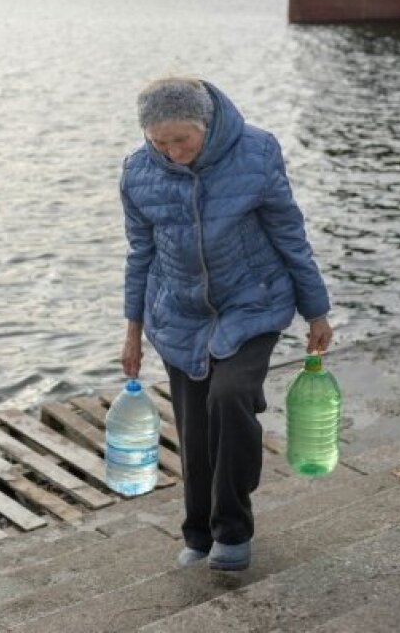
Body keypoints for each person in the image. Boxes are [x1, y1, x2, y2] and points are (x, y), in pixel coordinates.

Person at [119, 77, 332, 572]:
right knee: (194, 430)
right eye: (160, 143)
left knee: (230, 396)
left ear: (206, 126)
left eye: (182, 141)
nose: (173, 153)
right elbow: (139, 254)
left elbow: (289, 233)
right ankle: (198, 534)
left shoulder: (255, 152)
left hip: (252, 302)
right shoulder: (137, 173)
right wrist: (131, 330)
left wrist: (316, 310)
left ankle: (233, 529)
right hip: (178, 313)